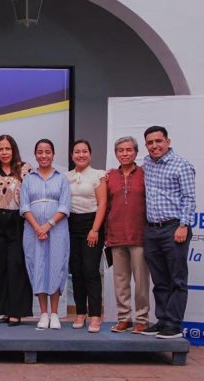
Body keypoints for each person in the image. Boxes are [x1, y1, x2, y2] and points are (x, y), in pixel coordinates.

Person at [141, 126, 195, 339]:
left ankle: (173, 324)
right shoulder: (147, 163)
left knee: (177, 279)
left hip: (174, 228)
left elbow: (189, 198)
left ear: (168, 141)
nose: (154, 146)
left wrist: (183, 225)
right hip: (152, 230)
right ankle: (163, 320)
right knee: (160, 280)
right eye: (150, 142)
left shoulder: (182, 165)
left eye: (158, 141)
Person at [20, 139, 70, 330]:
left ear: (53, 154)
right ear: (35, 155)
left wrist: (48, 225)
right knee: (38, 267)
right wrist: (37, 228)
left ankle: (55, 314)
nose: (44, 155)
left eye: (47, 152)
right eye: (40, 152)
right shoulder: (28, 179)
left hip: (57, 229)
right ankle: (43, 313)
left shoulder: (61, 178)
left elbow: (64, 206)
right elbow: (24, 206)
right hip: (32, 231)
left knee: (56, 267)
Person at [0, 135, 33, 327]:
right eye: (1, 149)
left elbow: (31, 193)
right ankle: (4, 310)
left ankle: (16, 312)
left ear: (14, 150)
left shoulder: (24, 168)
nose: (4, 152)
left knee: (16, 266)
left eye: (8, 149)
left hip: (17, 221)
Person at [106, 136, 150, 334]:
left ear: (136, 153)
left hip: (139, 236)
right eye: (121, 150)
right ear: (116, 154)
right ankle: (124, 318)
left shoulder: (145, 174)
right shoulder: (109, 177)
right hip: (116, 236)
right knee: (120, 281)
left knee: (141, 282)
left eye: (129, 150)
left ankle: (142, 319)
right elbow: (106, 207)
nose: (125, 153)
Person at [66, 140, 106, 333]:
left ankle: (95, 316)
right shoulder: (66, 177)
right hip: (71, 225)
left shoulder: (98, 175)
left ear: (90, 154)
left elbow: (103, 203)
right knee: (76, 271)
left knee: (91, 271)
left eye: (84, 151)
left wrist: (95, 229)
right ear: (72, 155)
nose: (80, 155)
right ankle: (80, 313)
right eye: (77, 152)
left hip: (92, 225)